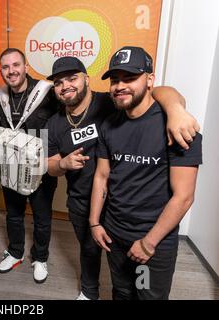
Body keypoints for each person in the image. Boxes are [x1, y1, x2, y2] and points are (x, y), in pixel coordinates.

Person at [46, 56, 200, 300]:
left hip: (120, 203)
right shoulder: (54, 123)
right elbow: (51, 166)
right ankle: (89, 292)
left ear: (86, 79)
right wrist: (62, 163)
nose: (66, 86)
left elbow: (159, 92)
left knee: (141, 282)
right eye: (58, 82)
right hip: (82, 199)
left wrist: (175, 110)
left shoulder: (111, 101)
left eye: (72, 78)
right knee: (92, 253)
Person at [89, 46, 202, 300]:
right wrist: (95, 222)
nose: (120, 86)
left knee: (146, 295)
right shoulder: (109, 124)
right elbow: (101, 177)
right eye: (115, 80)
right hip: (114, 235)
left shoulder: (177, 126)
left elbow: (183, 197)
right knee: (122, 292)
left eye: (130, 78)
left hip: (152, 243)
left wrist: (148, 243)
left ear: (150, 80)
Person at [0, 48, 59, 284]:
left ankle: (40, 257)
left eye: (16, 65)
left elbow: (64, 123)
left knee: (42, 217)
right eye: (6, 67)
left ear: (26, 67)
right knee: (14, 215)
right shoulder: (0, 97)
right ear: (1, 71)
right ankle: (16, 252)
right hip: (11, 168)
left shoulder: (48, 92)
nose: (11, 71)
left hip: (40, 170)